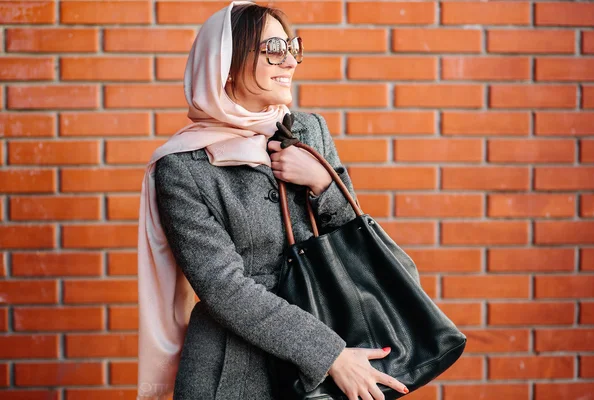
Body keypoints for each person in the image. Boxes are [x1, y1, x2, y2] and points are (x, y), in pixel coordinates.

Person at [136, 1, 410, 399]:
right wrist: (329, 354)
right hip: (233, 370)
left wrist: (321, 183)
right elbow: (224, 287)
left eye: (293, 48)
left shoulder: (307, 131)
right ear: (225, 64)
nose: (290, 62)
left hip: (335, 347)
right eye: (273, 49)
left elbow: (352, 238)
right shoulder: (181, 167)